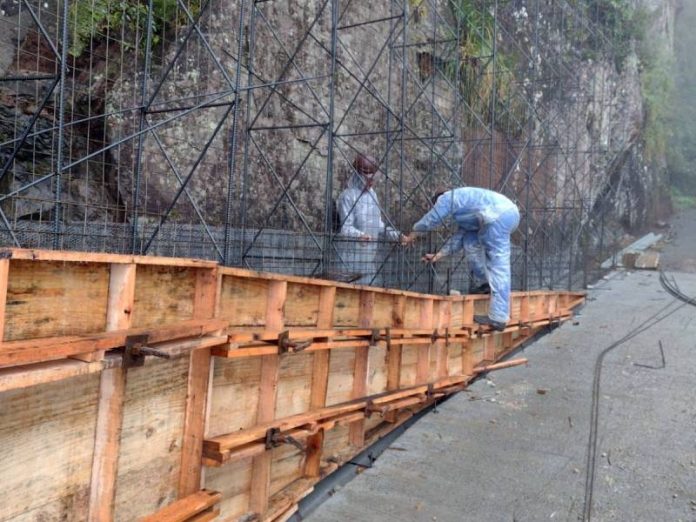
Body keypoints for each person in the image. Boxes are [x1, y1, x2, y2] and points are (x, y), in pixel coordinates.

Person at [402, 187, 520, 331]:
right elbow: (459, 238)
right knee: (470, 243)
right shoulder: (467, 210)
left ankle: (499, 317)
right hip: (496, 216)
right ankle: (489, 283)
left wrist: (412, 235)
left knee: (497, 263)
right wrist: (438, 255)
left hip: (499, 215)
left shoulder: (447, 197)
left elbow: (431, 219)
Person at [336, 153, 403, 285]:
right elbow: (345, 228)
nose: (371, 183)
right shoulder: (348, 196)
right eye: (368, 179)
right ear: (358, 176)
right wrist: (361, 235)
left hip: (369, 257)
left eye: (373, 180)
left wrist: (397, 235)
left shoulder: (373, 195)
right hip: (350, 257)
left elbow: (378, 225)